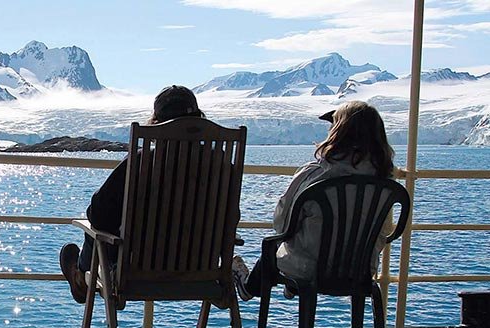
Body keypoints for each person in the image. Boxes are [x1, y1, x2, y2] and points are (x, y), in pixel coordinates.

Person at [232, 100, 395, 301]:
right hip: (360, 270)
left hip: (309, 269)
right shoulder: (385, 182)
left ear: (337, 132)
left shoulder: (315, 174)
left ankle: (250, 287)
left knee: (272, 247)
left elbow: (281, 224)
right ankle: (293, 288)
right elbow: (385, 230)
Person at [58, 85, 204, 303]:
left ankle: (81, 279)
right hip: (201, 270)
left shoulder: (140, 162)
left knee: (95, 228)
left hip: (137, 271)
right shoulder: (218, 163)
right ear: (199, 120)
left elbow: (97, 213)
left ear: (155, 125)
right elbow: (233, 218)